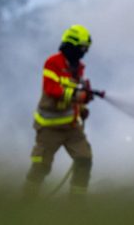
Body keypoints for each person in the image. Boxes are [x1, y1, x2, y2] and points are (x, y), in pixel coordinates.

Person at [23, 24, 96, 200]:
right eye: (82, 48)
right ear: (71, 45)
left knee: (84, 159)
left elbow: (76, 92)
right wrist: (79, 95)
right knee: (41, 167)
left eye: (86, 49)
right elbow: (52, 89)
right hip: (49, 128)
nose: (84, 52)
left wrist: (83, 107)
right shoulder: (53, 63)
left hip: (71, 127)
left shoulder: (78, 68)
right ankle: (27, 200)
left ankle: (77, 204)